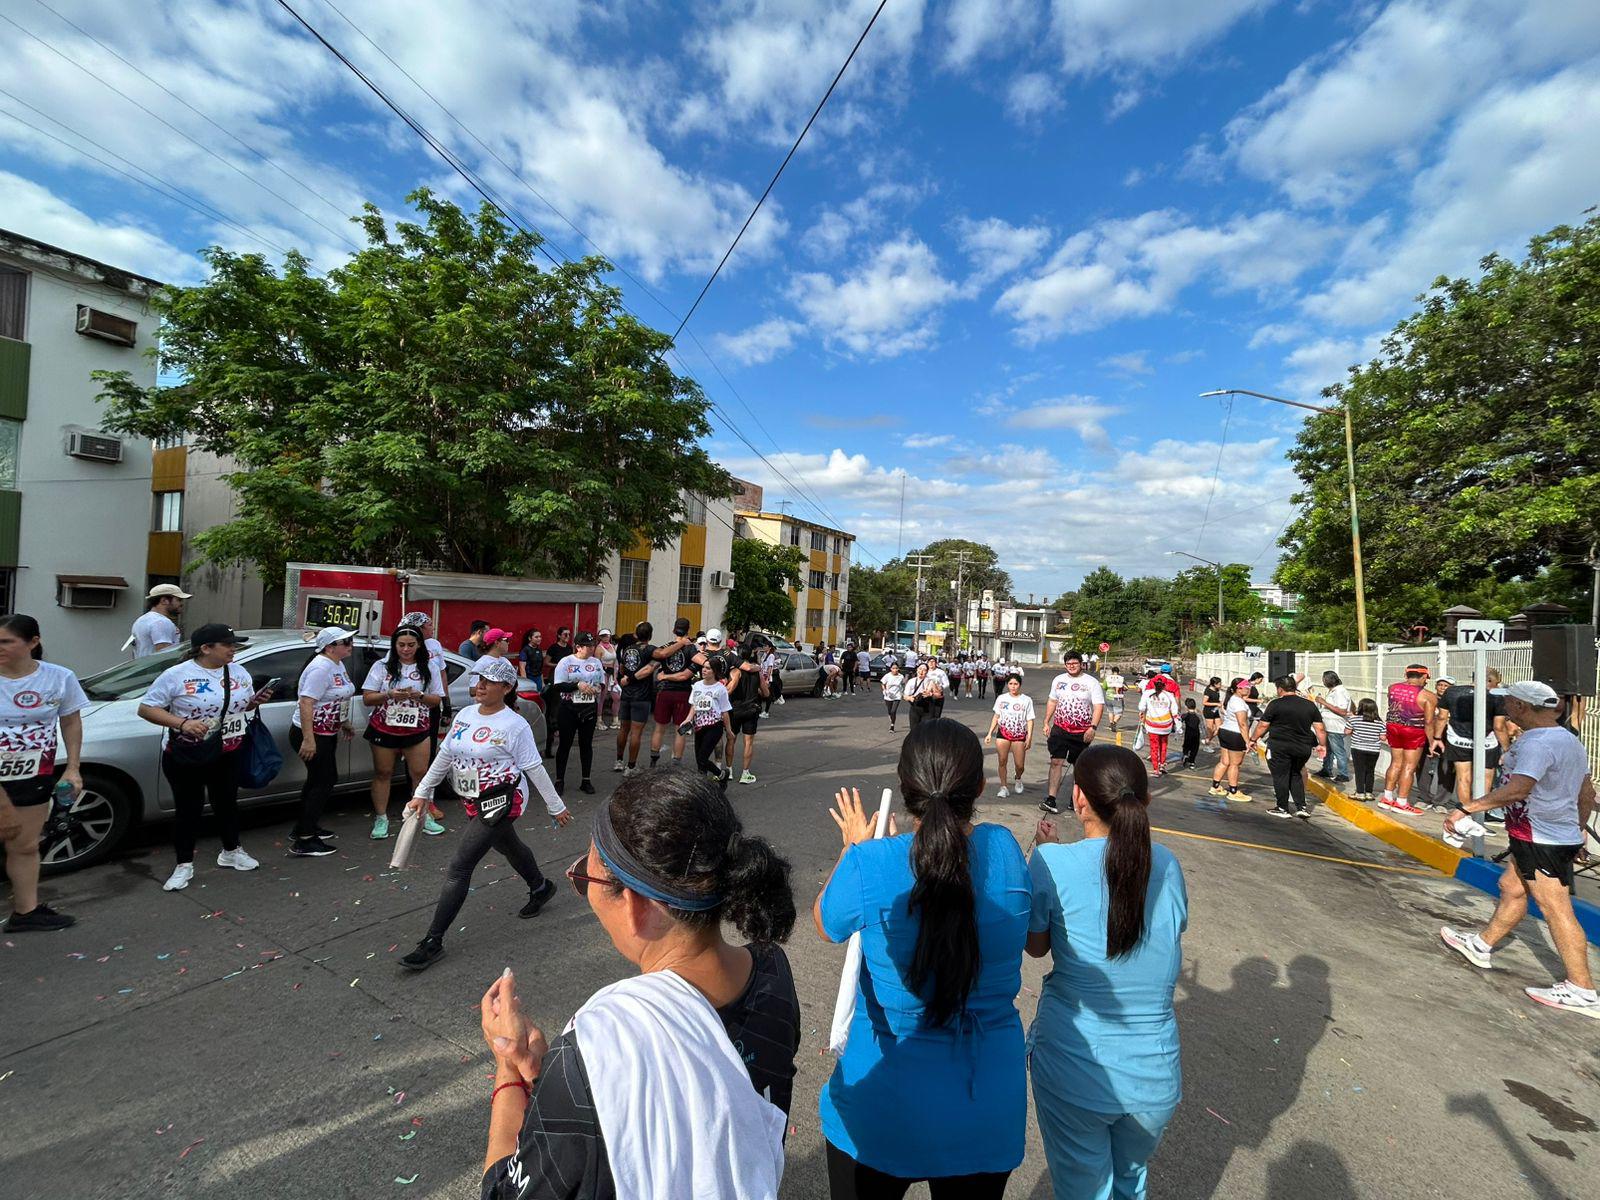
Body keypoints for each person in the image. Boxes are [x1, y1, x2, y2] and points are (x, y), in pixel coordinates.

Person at [480, 770, 800, 1198]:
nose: (583, 888)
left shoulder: (594, 1053)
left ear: (635, 905)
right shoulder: (774, 974)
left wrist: (510, 1072)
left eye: (585, 880)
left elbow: (502, 1192)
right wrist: (548, 1075)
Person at [814, 720, 1030, 1196]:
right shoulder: (1004, 850)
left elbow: (826, 921)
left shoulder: (870, 863)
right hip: (984, 1109)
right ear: (979, 786)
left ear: (903, 785)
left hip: (881, 1105)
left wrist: (857, 848)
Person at [1027, 744, 1188, 1200]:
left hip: (1076, 1067)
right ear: (1145, 800)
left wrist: (1045, 860)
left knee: (1082, 1187)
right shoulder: (1169, 865)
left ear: (1078, 799)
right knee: (1131, 1179)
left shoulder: (1051, 863)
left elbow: (1036, 948)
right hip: (1155, 1077)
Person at [400, 657, 571, 972]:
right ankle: (540, 886)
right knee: (507, 846)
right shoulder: (465, 714)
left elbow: (533, 766)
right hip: (472, 798)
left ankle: (432, 942)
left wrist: (555, 805)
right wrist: (422, 792)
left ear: (506, 688)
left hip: (504, 799)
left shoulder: (515, 725)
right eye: (477, 680)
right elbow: (446, 755)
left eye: (488, 682)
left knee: (459, 866)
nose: (478, 686)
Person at [1441, 681, 1597, 1017]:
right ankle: (1482, 944)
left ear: (1522, 707)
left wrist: (1467, 808)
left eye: (1509, 703)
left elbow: (1518, 790)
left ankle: (1581, 988)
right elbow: (1586, 791)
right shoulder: (1568, 739)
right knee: (1512, 888)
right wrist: (1578, 829)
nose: (1505, 709)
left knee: (1555, 908)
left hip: (1541, 837)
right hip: (1550, 834)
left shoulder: (1537, 744)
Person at [137, 623, 271, 891]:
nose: (233, 649)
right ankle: (183, 864)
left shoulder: (238, 671)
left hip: (228, 750)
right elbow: (146, 709)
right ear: (206, 648)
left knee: (227, 803)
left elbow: (238, 706)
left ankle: (231, 851)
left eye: (234, 644)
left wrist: (255, 702)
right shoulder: (177, 675)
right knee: (189, 809)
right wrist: (182, 723)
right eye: (227, 645)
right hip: (187, 754)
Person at [0, 615, 87, 932]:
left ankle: (25, 912)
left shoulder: (59, 677)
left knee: (24, 845)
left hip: (35, 773)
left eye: (6, 641)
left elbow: (70, 721)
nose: (0, 647)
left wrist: (73, 768)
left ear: (33, 642)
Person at [362, 624, 446, 840]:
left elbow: (436, 700)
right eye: (401, 645)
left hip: (417, 728)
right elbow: (367, 698)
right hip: (384, 728)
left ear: (419, 645)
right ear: (394, 645)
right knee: (383, 773)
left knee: (420, 773)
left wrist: (418, 695)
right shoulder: (382, 666)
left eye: (410, 645)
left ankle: (423, 816)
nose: (406, 649)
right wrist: (388, 694)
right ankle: (381, 818)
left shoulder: (430, 668)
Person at [289, 625, 357, 856]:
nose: (350, 646)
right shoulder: (320, 668)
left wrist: (343, 722)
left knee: (318, 780)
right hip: (313, 734)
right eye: (346, 642)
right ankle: (305, 840)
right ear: (330, 647)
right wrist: (309, 740)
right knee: (325, 780)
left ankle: (304, 826)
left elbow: (336, 698)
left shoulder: (336, 664)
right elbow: (307, 702)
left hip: (326, 732)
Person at [1248, 675, 1326, 820]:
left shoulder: (1275, 704)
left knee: (1280, 776)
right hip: (1303, 747)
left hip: (1280, 746)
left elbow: (1263, 725)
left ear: (1280, 689)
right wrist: (1322, 745)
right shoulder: (1309, 705)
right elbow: (1320, 729)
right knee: (1296, 774)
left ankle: (1282, 807)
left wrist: (1253, 739)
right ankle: (1301, 807)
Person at [1437, 668, 1509, 813]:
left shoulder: (1452, 692)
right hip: (1487, 742)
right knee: (1485, 780)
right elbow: (1499, 726)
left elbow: (1442, 717)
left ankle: (1465, 814)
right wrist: (1507, 748)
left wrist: (1436, 737)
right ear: (1489, 681)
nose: (1497, 687)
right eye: (1496, 683)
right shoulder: (1497, 698)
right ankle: (1479, 816)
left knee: (1463, 778)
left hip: (1458, 740)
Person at [551, 632, 605, 795]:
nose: (591, 648)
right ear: (578, 647)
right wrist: (577, 685)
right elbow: (558, 686)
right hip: (569, 707)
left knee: (586, 744)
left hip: (588, 706)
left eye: (592, 645)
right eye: (587, 646)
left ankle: (586, 780)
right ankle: (560, 780)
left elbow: (601, 683)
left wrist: (597, 689)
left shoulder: (596, 662)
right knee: (565, 744)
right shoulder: (566, 662)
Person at [1380, 664, 1437, 815]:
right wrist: (1432, 742)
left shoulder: (1392, 688)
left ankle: (1387, 797)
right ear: (1424, 677)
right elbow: (1429, 722)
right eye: (1426, 679)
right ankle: (1402, 802)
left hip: (1393, 726)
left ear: (1406, 675)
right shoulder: (1428, 696)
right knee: (1409, 767)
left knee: (1395, 762)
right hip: (1413, 730)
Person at [650, 619, 698, 767]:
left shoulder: (667, 647)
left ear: (673, 630)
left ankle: (653, 759)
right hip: (682, 691)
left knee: (659, 728)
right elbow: (689, 671)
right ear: (688, 630)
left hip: (665, 690)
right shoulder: (691, 648)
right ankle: (676, 762)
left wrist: (663, 675)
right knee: (680, 729)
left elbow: (656, 659)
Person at [725, 633, 769, 785]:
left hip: (735, 709)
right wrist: (755, 689)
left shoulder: (734, 671)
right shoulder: (757, 672)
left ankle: (729, 770)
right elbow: (766, 693)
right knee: (748, 742)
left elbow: (729, 690)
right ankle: (745, 773)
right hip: (751, 709)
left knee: (731, 739)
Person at [985, 673, 1035, 800]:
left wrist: (1029, 737)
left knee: (1020, 765)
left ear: (1020, 685)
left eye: (1016, 684)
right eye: (1011, 684)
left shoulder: (1026, 700)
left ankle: (1018, 778)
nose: (1013, 687)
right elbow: (996, 716)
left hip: (1019, 735)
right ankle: (1004, 787)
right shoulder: (1001, 698)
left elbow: (1030, 720)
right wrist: (990, 733)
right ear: (1007, 685)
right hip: (1003, 734)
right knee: (1002, 761)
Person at [1207, 678, 1254, 803]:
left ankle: (1215, 787)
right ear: (1239, 688)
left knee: (1224, 761)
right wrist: (1247, 741)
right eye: (1246, 687)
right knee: (1235, 764)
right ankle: (1233, 791)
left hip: (1225, 731)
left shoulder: (1232, 699)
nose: (1249, 689)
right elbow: (1242, 724)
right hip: (1235, 734)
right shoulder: (1239, 703)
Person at [689, 656, 734, 782]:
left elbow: (725, 711)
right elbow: (694, 705)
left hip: (714, 726)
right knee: (699, 760)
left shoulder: (720, 689)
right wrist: (687, 720)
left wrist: (729, 731)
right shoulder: (697, 685)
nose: (704, 670)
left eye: (708, 668)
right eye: (703, 667)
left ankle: (721, 775)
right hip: (699, 726)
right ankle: (703, 785)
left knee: (703, 758)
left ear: (714, 671)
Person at [1313, 671, 1354, 784]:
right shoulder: (1334, 691)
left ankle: (1343, 774)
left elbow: (1342, 711)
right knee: (1329, 750)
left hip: (1336, 727)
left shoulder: (1340, 692)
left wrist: (1324, 703)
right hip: (1329, 726)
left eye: (1324, 679)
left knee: (1338, 750)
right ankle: (1326, 769)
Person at [130, 583, 190, 658]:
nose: (181, 604)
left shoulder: (141, 620)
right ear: (164, 600)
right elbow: (164, 656)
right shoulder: (161, 622)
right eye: (179, 600)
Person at [1138, 678, 1181, 778]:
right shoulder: (1169, 695)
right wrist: (1178, 724)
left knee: (1154, 747)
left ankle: (1156, 769)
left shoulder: (1148, 694)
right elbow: (1175, 711)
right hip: (1166, 725)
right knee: (1164, 745)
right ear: (1165, 685)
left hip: (1152, 724)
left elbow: (1141, 708)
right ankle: (1162, 765)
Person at [542, 627, 573, 756]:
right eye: (565, 634)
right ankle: (548, 745)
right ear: (559, 635)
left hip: (567, 679)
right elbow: (546, 662)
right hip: (554, 680)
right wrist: (560, 664)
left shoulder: (569, 648)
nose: (567, 636)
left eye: (569, 634)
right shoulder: (553, 648)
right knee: (553, 711)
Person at [1347, 698, 1384, 802]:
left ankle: (1359, 792)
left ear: (1361, 708)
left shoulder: (1354, 719)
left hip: (1358, 748)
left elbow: (1347, 731)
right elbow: (1383, 738)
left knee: (1359, 771)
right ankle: (1368, 792)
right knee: (1370, 771)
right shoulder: (1380, 723)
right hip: (1374, 750)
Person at [595, 628, 618, 729]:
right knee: (602, 697)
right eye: (603, 636)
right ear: (600, 637)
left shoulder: (612, 646)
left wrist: (615, 676)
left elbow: (615, 662)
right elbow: (597, 664)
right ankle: (599, 720)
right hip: (603, 674)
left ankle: (615, 720)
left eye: (607, 635)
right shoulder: (599, 648)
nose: (606, 637)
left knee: (617, 696)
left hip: (612, 674)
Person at [881, 659, 906, 732]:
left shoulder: (901, 676)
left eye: (896, 668)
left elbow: (903, 684)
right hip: (888, 695)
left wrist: (903, 692)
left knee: (893, 711)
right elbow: (883, 683)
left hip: (897, 695)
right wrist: (884, 690)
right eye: (893, 668)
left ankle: (892, 726)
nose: (895, 670)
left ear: (898, 669)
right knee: (890, 711)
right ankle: (891, 716)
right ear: (891, 669)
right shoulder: (887, 676)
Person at [1179, 699, 1201, 769]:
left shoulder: (1185, 715)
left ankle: (1185, 755)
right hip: (1196, 734)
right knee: (1195, 748)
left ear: (1186, 707)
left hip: (1188, 733)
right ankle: (1192, 762)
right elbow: (1202, 726)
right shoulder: (1198, 715)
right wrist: (1205, 737)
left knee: (1186, 746)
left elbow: (1179, 721)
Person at [1201, 676, 1222, 746]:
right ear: (1214, 684)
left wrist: (1220, 703)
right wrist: (1216, 703)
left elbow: (1216, 700)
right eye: (1219, 684)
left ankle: (1207, 740)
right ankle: (1207, 744)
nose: (1220, 685)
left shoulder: (1216, 690)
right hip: (1208, 711)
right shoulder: (1208, 691)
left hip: (1215, 711)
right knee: (1211, 729)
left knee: (1219, 728)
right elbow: (1204, 702)